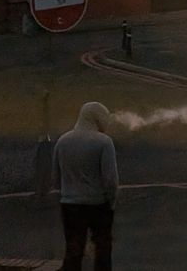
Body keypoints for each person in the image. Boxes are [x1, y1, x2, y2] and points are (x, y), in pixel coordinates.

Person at [55, 102, 119, 271]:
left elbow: (57, 176)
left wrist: (66, 194)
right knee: (102, 249)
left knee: (73, 250)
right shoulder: (104, 142)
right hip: (98, 204)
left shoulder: (62, 141)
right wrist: (111, 203)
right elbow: (110, 179)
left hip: (69, 204)